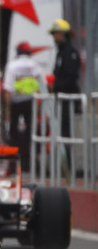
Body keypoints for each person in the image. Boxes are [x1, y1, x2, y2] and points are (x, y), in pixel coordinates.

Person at [3, 42, 47, 171]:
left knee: (13, 134)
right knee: (31, 133)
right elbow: (42, 86)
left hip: (16, 102)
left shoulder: (12, 65)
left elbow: (8, 89)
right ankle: (30, 163)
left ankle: (14, 163)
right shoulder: (34, 65)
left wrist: (7, 109)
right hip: (30, 102)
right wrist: (39, 107)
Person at [50, 18, 82, 167]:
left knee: (68, 133)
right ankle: (63, 164)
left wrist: (56, 87)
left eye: (57, 34)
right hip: (61, 100)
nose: (54, 37)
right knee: (61, 132)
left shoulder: (70, 53)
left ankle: (69, 165)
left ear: (64, 34)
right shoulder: (60, 53)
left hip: (69, 101)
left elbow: (71, 77)